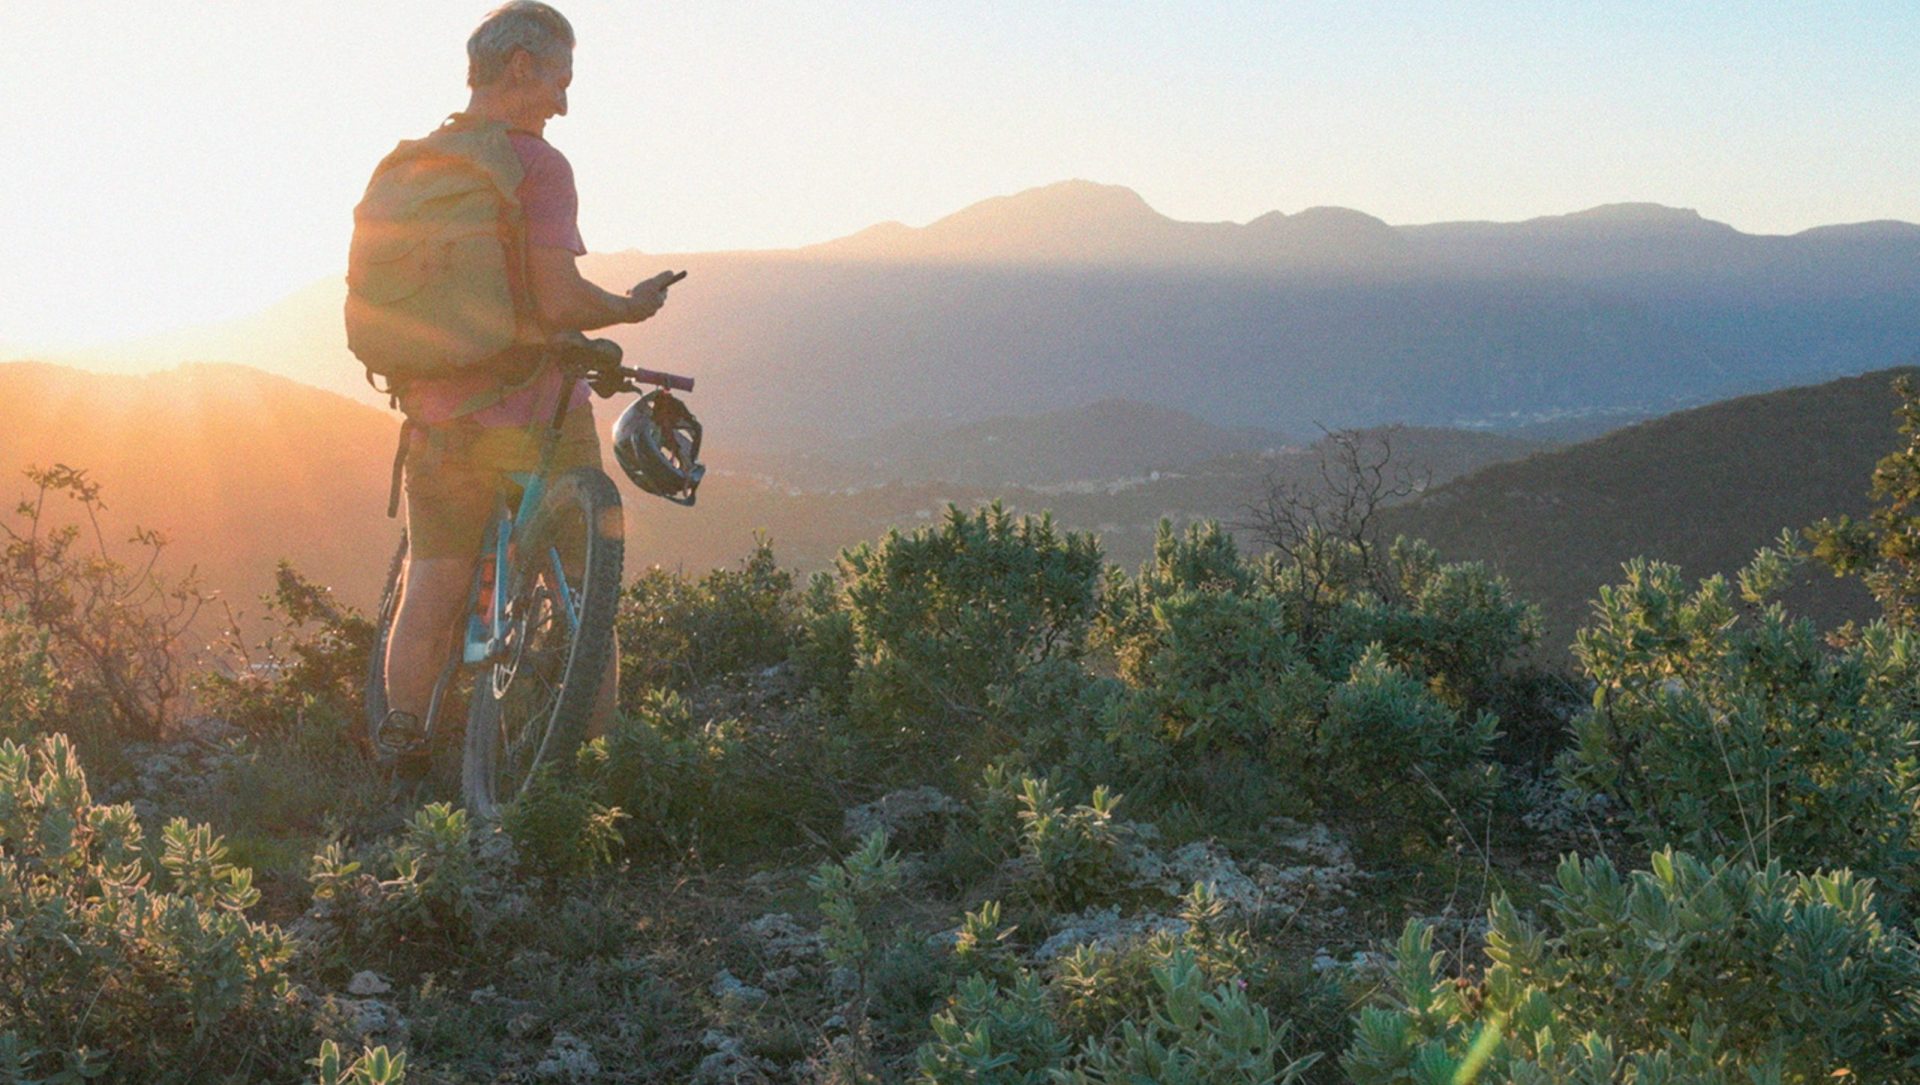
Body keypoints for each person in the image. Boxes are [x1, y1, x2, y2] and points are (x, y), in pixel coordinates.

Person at [379, 1, 678, 767]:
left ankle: (398, 748)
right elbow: (558, 300)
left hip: (439, 412)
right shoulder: (537, 165)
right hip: (539, 411)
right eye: (559, 80)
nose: (563, 102)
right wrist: (629, 311)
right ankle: (595, 766)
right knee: (588, 593)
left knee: (431, 591)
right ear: (521, 67)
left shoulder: (417, 165)